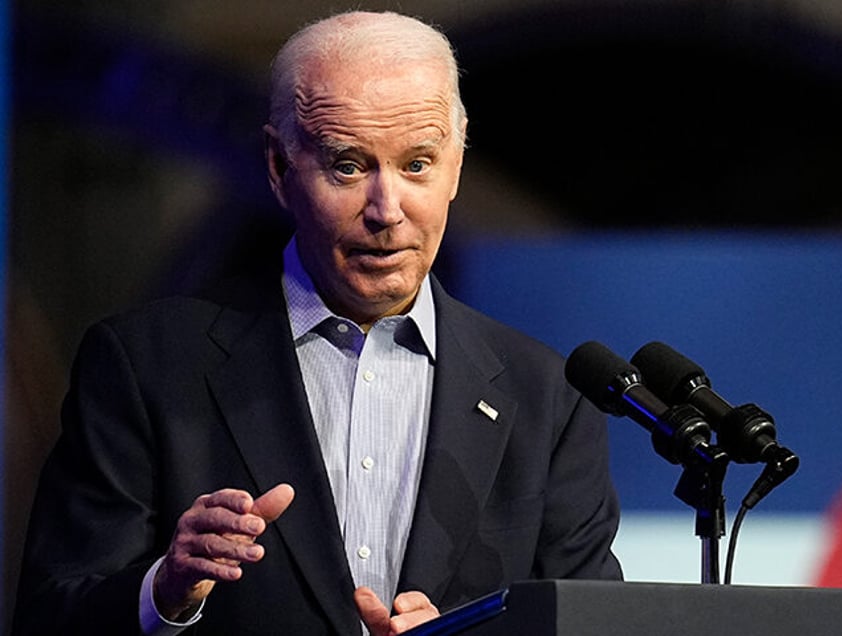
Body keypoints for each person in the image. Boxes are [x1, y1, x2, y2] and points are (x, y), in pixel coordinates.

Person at [12, 10, 622, 636]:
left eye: (417, 165)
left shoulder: (547, 398)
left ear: (457, 162)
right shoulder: (146, 365)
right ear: (278, 167)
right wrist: (164, 591)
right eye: (349, 166)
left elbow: (589, 623)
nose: (387, 210)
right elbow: (51, 615)